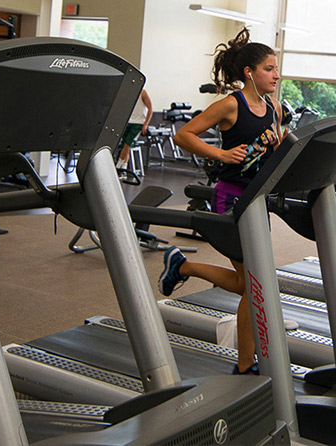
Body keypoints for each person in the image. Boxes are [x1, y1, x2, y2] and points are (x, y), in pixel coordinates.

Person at [158, 28, 283, 375]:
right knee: (255, 282)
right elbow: (183, 134)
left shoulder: (273, 106)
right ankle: (245, 364)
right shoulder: (231, 104)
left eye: (276, 68)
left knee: (249, 283)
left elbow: (274, 146)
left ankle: (183, 266)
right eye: (270, 69)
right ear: (249, 73)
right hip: (232, 197)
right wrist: (221, 153)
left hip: (259, 199)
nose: (276, 74)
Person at [115, 89, 153, 172]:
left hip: (138, 123)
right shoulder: (128, 93)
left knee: (127, 145)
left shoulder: (143, 93)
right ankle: (124, 169)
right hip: (128, 122)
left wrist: (145, 124)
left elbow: (150, 109)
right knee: (125, 146)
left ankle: (117, 168)